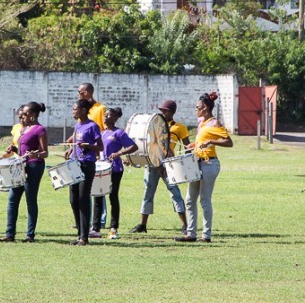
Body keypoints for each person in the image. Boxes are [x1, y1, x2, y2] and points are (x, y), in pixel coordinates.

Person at [175, 92, 233, 243]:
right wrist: (193, 145)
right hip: (197, 162)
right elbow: (203, 140)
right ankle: (191, 234)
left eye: (197, 107)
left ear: (205, 107)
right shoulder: (202, 123)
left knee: (204, 200)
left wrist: (212, 142)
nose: (195, 109)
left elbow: (228, 142)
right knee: (189, 200)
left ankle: (206, 236)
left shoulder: (215, 123)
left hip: (209, 164)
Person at [130, 100, 190, 235]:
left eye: (165, 110)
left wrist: (181, 164)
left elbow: (187, 147)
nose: (162, 113)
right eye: (162, 110)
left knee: (175, 192)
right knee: (148, 193)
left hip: (169, 165)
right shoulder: (154, 124)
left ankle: (185, 225)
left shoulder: (179, 127)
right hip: (153, 163)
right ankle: (142, 224)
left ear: (172, 112)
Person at [0, 102, 49, 243]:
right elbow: (21, 150)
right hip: (20, 166)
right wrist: (14, 150)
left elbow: (45, 153)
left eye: (25, 114)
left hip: (34, 167)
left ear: (32, 115)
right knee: (12, 200)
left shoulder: (40, 129)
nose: (22, 117)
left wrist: (35, 155)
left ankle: (30, 235)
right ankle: (9, 234)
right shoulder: (24, 129)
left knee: (30, 200)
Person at [92, 107, 137, 239]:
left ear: (116, 118)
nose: (105, 117)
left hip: (115, 169)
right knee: (98, 196)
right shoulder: (102, 133)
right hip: (101, 167)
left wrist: (119, 153)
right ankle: (96, 228)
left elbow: (133, 146)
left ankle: (113, 228)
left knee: (112, 197)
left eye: (109, 115)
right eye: (104, 114)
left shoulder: (119, 133)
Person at [66, 99, 103, 246]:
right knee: (73, 199)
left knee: (83, 198)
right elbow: (76, 145)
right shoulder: (78, 125)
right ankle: (79, 234)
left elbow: (100, 147)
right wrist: (71, 150)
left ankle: (84, 237)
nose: (73, 111)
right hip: (75, 164)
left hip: (86, 164)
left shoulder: (92, 126)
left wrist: (89, 146)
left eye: (75, 109)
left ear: (82, 110)